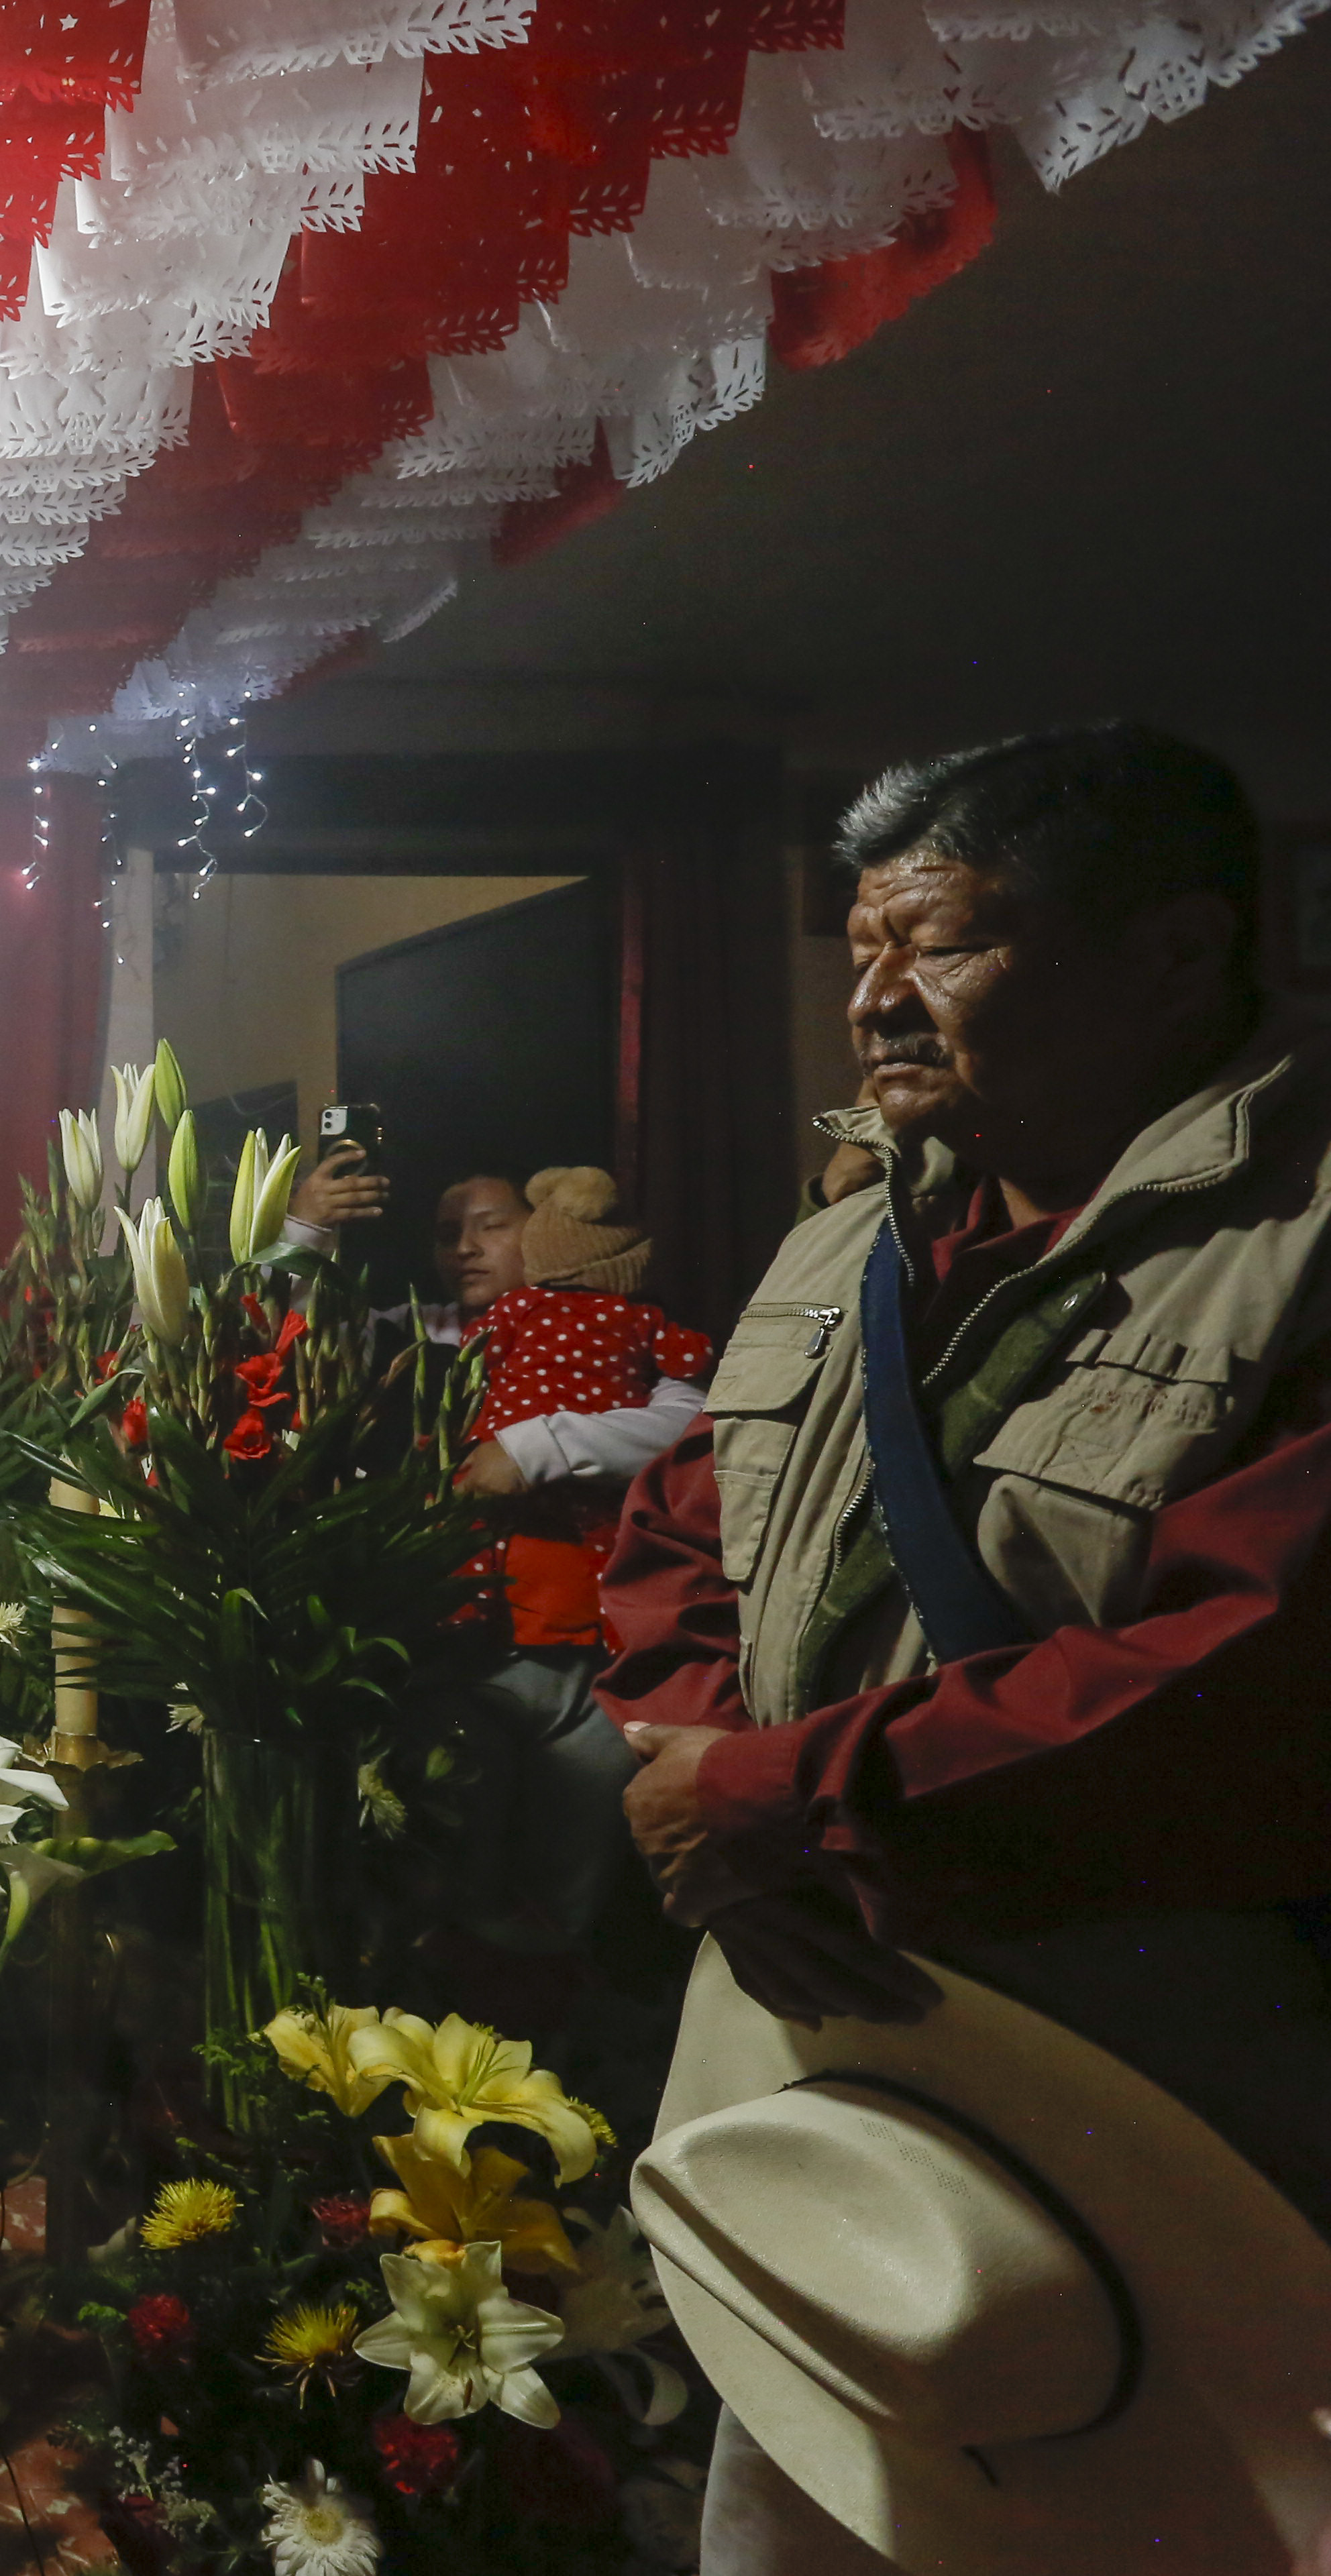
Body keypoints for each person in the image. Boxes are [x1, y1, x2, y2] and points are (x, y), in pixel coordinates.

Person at [594, 724, 1331, 2569]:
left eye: (946, 948)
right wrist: (697, 1777)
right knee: (826, 2476)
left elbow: (1248, 1663)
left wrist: (775, 1798)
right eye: (861, 954)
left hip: (1171, 2085)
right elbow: (679, 1544)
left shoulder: (1298, 1248)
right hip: (846, 2079)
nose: (878, 1004)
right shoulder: (840, 1247)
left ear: (1175, 957)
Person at [409, 1168, 715, 1980]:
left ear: (544, 1230)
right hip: (463, 1644)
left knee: (563, 1891)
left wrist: (533, 1447)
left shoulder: (633, 1328)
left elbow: (694, 1421)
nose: (467, 1248)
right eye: (447, 1233)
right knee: (453, 1871)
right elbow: (301, 1324)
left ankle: (547, 2047)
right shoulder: (439, 1335)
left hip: (593, 1650)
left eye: (492, 1226)